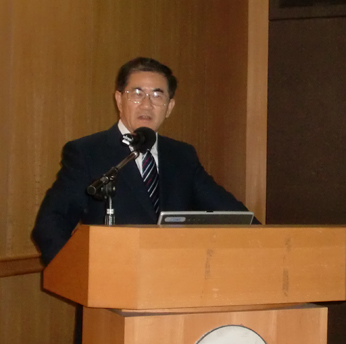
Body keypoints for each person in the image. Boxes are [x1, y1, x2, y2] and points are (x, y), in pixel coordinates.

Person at [32, 57, 251, 265]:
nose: (146, 105)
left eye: (157, 96)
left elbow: (232, 214)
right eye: (137, 94)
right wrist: (78, 274)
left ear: (169, 107)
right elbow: (50, 223)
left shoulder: (182, 156)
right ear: (119, 100)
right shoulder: (87, 152)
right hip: (112, 280)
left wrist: (260, 242)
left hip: (173, 278)